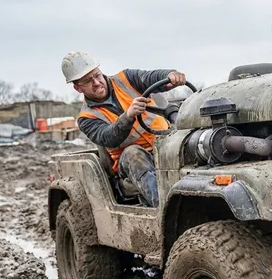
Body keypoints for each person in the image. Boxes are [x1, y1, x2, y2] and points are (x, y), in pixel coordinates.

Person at [61, 51, 188, 207]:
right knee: (132, 153)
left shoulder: (125, 79)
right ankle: (167, 208)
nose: (96, 82)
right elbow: (108, 137)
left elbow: (150, 77)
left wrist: (170, 76)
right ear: (77, 88)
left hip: (164, 145)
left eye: (97, 75)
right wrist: (128, 116)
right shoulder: (86, 118)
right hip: (130, 165)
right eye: (88, 81)